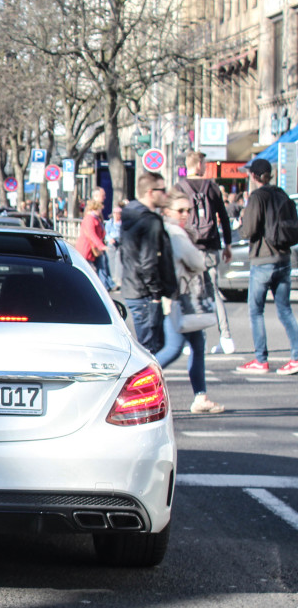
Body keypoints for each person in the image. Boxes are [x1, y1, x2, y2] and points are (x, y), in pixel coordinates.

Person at [154, 194, 224, 413]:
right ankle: (133, 383)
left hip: (185, 298)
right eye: (180, 211)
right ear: (168, 211)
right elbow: (196, 261)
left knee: (198, 345)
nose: (185, 215)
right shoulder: (175, 233)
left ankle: (201, 397)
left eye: (188, 211)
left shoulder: (171, 231)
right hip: (180, 298)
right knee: (173, 348)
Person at [235, 158, 298, 374]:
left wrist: (241, 224)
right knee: (285, 310)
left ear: (254, 176)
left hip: (263, 260)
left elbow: (249, 230)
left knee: (256, 311)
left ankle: (260, 360)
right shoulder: (282, 194)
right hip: (283, 259)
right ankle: (296, 357)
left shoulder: (257, 197)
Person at [177, 151, 236, 353]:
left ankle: (193, 340)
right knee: (214, 292)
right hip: (211, 247)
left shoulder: (180, 188)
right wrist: (227, 244)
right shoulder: (211, 187)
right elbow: (224, 217)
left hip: (189, 248)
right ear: (199, 164)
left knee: (192, 292)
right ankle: (226, 337)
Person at [120, 172, 177, 355]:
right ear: (151, 192)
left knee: (148, 347)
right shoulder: (150, 221)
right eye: (163, 190)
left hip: (132, 286)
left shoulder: (129, 214)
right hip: (145, 292)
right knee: (152, 350)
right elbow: (148, 261)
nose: (165, 194)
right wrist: (155, 294)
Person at [75, 198, 110, 287]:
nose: (100, 211)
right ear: (94, 208)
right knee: (89, 269)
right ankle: (103, 286)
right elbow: (92, 234)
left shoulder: (95, 218)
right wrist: (101, 245)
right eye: (99, 209)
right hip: (88, 248)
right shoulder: (90, 218)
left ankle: (104, 285)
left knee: (100, 268)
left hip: (93, 248)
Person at [104, 201, 125, 291]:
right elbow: (106, 233)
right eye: (115, 213)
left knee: (119, 261)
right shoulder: (110, 223)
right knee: (111, 260)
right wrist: (109, 239)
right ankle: (112, 279)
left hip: (120, 242)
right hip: (112, 242)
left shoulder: (122, 223)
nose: (117, 215)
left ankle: (119, 280)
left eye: (119, 213)